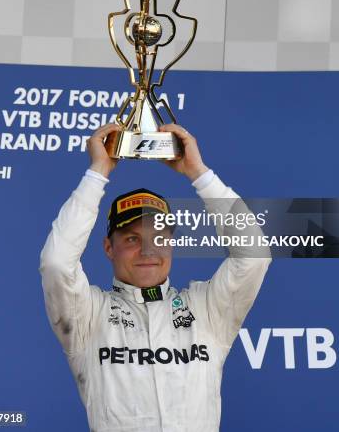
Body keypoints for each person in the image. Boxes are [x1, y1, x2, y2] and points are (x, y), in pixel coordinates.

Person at [39, 123, 272, 432]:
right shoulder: (88, 315)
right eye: (132, 239)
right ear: (109, 248)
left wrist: (199, 173)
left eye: (159, 238)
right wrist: (98, 173)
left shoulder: (206, 309)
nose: (149, 250)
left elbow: (255, 254)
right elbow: (57, 263)